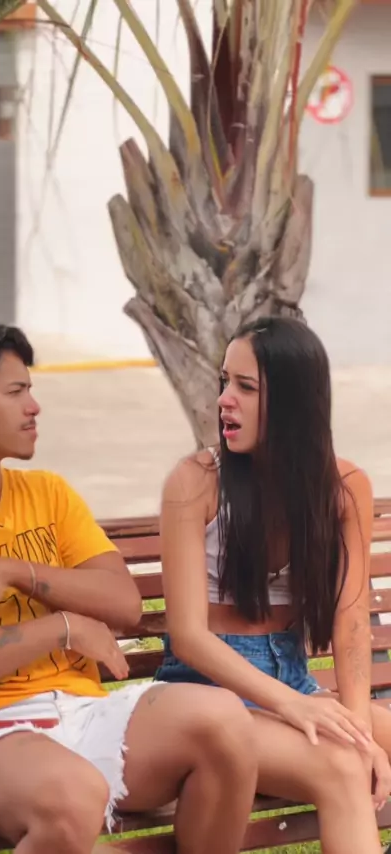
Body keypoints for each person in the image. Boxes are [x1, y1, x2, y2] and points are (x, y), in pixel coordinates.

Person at [0, 318, 260, 854]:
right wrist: (63, 628)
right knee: (74, 796)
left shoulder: (49, 495)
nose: (34, 407)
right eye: (16, 391)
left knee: (225, 721)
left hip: (80, 713)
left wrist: (14, 570)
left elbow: (123, 603)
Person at [157, 316, 391, 854]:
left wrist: (358, 730)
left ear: (294, 401)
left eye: (246, 387)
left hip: (293, 680)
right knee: (342, 768)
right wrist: (295, 708)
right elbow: (188, 637)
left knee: (361, 747)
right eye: (225, 382)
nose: (224, 401)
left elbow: (351, 622)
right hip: (206, 693)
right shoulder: (196, 481)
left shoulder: (344, 487)